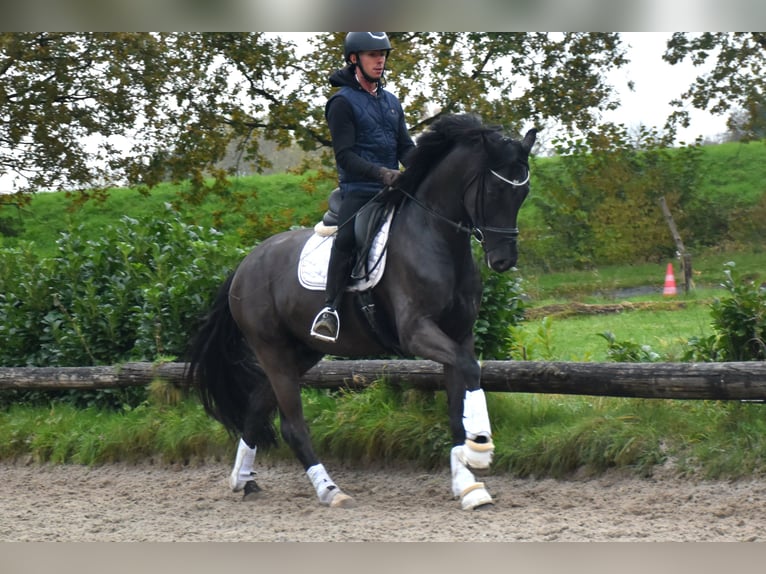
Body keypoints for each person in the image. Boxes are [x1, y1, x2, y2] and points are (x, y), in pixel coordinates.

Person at [310, 32, 416, 342]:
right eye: (372, 54)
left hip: (393, 187)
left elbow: (405, 149)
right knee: (348, 239)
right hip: (359, 189)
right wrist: (382, 174)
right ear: (354, 58)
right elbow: (345, 156)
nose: (380, 59)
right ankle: (328, 310)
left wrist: (425, 167)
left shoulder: (391, 102)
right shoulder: (341, 102)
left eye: (383, 54)